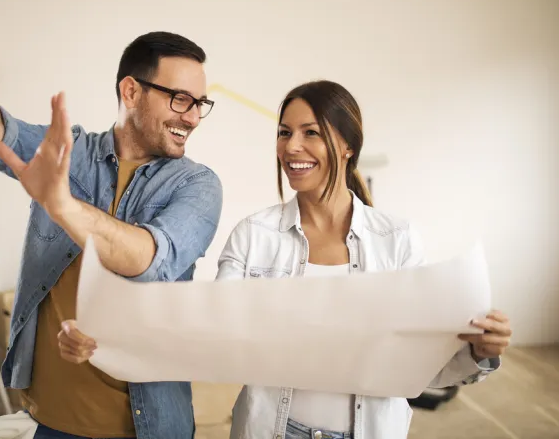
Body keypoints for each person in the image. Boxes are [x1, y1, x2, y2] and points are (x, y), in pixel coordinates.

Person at [0, 0, 223, 439]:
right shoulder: (72, 153)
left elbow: (148, 258)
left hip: (147, 428)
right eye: (179, 99)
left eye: (199, 103)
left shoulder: (197, 185)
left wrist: (61, 203)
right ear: (131, 90)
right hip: (47, 422)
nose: (192, 116)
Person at [215, 80, 512, 439]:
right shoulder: (252, 235)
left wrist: (478, 352)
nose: (291, 146)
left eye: (311, 132)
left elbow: (418, 368)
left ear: (347, 146)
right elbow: (219, 340)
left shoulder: (396, 241)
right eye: (284, 132)